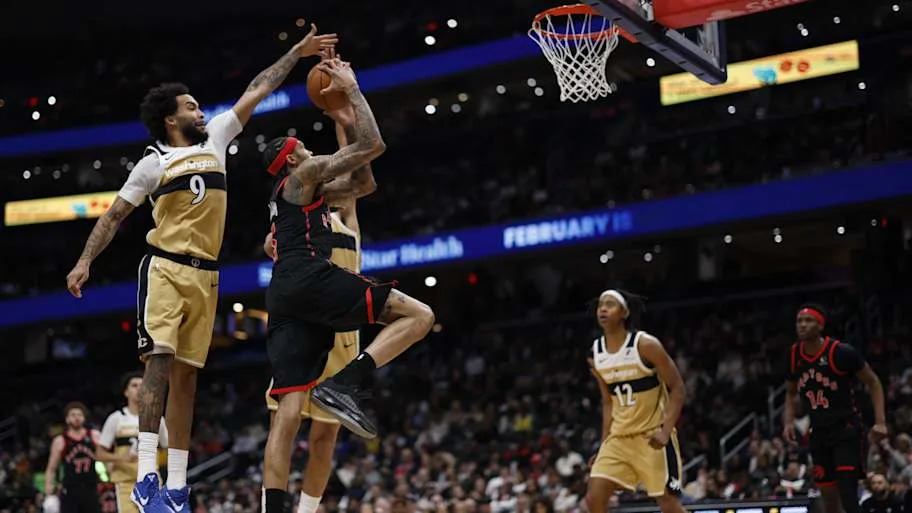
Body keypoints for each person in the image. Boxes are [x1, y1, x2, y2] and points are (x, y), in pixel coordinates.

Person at [63, 23, 337, 513]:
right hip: (165, 268)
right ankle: (147, 473)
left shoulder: (215, 139)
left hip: (207, 273)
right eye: (190, 106)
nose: (199, 110)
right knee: (160, 363)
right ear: (171, 120)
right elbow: (114, 217)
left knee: (188, 379)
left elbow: (258, 88)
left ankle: (176, 485)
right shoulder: (152, 163)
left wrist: (297, 53)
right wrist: (85, 261)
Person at [261, 57, 434, 513]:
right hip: (316, 282)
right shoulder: (302, 175)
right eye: (301, 148)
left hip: (288, 294)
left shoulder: (303, 202)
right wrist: (353, 92)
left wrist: (342, 120)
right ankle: (349, 380)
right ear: (292, 159)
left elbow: (363, 181)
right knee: (420, 315)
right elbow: (373, 146)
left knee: (291, 413)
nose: (307, 151)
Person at [263, 102, 375, 513]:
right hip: (304, 314)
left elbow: (357, 174)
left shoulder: (340, 211)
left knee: (325, 434)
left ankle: (306, 511)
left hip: (343, 326)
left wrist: (343, 122)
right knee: (285, 420)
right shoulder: (291, 219)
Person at [585, 290, 687, 513]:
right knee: (594, 499)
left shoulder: (645, 344)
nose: (603, 309)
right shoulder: (596, 352)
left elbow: (678, 388)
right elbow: (608, 403)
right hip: (619, 438)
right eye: (600, 305)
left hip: (652, 435)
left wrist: (665, 430)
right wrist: (603, 446)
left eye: (610, 304)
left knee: (669, 505)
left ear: (624, 312)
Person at [782, 303, 888, 513]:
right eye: (799, 321)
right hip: (819, 433)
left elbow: (874, 382)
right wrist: (788, 421)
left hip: (846, 430)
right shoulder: (794, 356)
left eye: (808, 321)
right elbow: (791, 391)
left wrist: (881, 422)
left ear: (820, 326)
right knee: (829, 502)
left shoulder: (841, 352)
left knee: (848, 497)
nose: (802, 325)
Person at [97, 372, 170, 513]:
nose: (138, 389)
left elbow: (168, 450)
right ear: (126, 392)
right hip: (125, 483)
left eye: (142, 386)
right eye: (134, 385)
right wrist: (121, 458)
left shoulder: (156, 419)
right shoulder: (116, 418)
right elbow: (99, 453)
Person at [45, 402, 121, 513]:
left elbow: (106, 458)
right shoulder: (60, 441)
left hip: (91, 488)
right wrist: (48, 487)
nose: (76, 418)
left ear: (84, 418)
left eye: (79, 415)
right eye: (73, 415)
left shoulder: (94, 436)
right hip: (70, 489)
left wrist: (112, 474)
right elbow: (51, 468)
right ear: (67, 419)